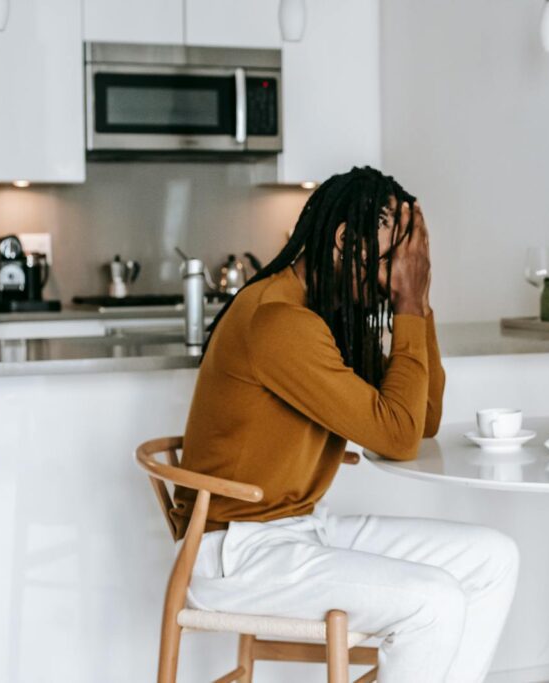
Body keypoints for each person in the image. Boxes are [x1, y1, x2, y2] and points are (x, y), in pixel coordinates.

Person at [171, 166, 519, 683]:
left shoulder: (325, 314)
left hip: (299, 530)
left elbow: (422, 419)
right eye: (393, 259)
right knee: (434, 602)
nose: (396, 275)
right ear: (344, 242)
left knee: (492, 557)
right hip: (235, 551)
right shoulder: (280, 322)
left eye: (407, 262)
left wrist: (417, 304)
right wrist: (407, 303)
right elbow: (400, 438)